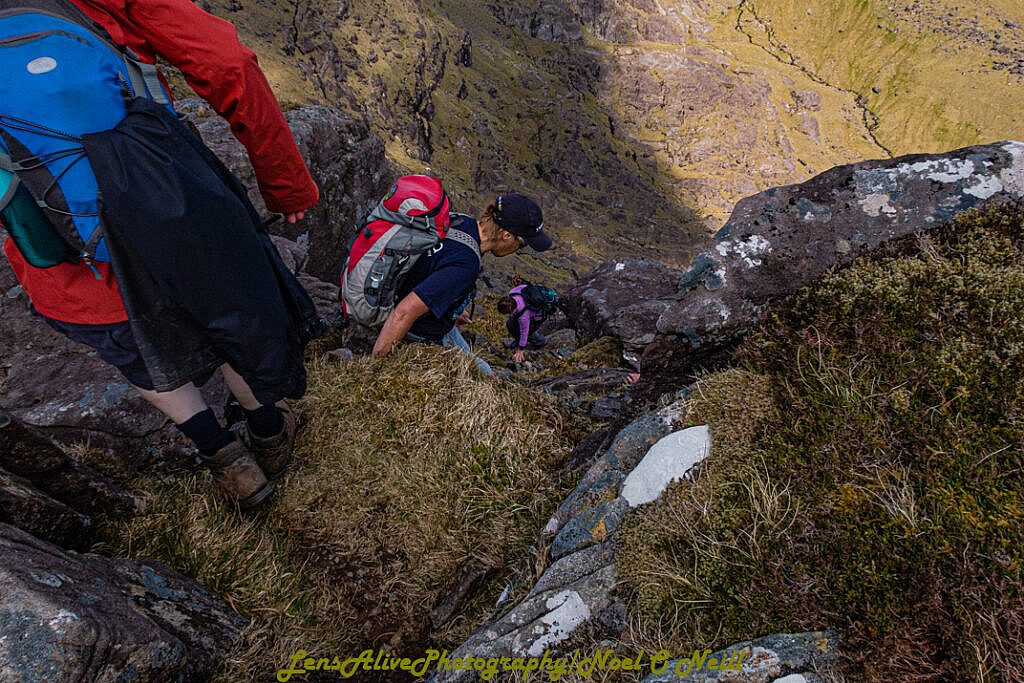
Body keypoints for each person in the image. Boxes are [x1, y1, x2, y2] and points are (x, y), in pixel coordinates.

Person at [0, 0, 319, 509]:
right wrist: (286, 185)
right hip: (169, 212)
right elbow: (228, 64)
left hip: (70, 254)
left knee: (137, 354)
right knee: (223, 314)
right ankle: (271, 430)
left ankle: (228, 463)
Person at [371, 193, 553, 366]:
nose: (516, 249)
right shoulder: (466, 264)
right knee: (484, 373)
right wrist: (377, 367)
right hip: (421, 333)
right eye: (521, 245)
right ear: (506, 235)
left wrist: (452, 307)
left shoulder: (462, 221)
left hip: (427, 313)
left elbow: (432, 268)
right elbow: (403, 313)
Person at [497, 285, 549, 363]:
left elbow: (524, 332)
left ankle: (540, 341)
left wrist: (521, 349)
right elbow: (525, 286)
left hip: (537, 317)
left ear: (511, 310)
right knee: (510, 324)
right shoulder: (513, 292)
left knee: (528, 333)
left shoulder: (523, 317)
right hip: (526, 312)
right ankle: (518, 341)